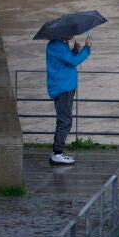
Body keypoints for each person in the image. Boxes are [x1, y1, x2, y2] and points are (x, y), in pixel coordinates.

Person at [46, 34, 92, 165]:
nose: (73, 34)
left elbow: (65, 61)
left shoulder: (60, 44)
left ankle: (57, 151)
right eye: (70, 32)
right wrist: (86, 49)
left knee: (63, 120)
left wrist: (75, 51)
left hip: (65, 86)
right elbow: (72, 62)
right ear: (62, 32)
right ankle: (57, 153)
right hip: (62, 87)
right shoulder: (57, 45)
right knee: (65, 121)